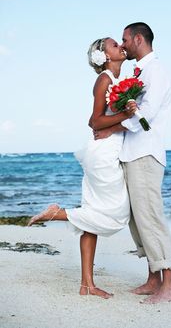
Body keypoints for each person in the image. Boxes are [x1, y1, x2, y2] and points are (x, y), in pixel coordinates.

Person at [28, 37, 135, 299]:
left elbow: (107, 124)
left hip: (106, 149)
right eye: (113, 44)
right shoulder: (104, 80)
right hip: (103, 154)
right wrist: (127, 117)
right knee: (118, 213)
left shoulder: (118, 81)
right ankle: (57, 213)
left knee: (92, 217)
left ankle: (86, 285)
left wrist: (119, 124)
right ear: (105, 56)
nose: (120, 46)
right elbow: (94, 121)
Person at [94, 22, 171, 304]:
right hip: (132, 154)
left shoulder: (157, 71)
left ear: (138, 39)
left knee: (151, 218)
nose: (123, 44)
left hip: (145, 154)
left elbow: (147, 115)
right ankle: (154, 278)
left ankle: (169, 286)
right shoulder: (140, 72)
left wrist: (111, 128)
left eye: (125, 39)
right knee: (137, 220)